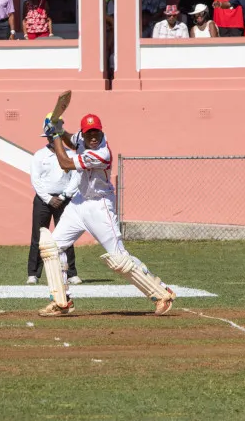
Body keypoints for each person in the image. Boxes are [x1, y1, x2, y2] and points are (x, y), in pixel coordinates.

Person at [36, 113, 176, 317]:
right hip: (79, 202)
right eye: (89, 133)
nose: (93, 137)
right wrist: (60, 130)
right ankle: (61, 301)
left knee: (118, 258)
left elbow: (65, 163)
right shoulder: (81, 138)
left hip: (100, 205)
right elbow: (71, 141)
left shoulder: (101, 153)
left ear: (101, 131)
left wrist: (55, 135)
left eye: (96, 132)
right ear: (83, 133)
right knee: (52, 248)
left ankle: (162, 293)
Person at [28, 120, 80, 286]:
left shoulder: (70, 154)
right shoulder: (39, 155)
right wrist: (48, 198)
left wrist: (64, 196)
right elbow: (36, 180)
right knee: (38, 236)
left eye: (56, 135)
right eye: (50, 136)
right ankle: (33, 274)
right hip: (43, 200)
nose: (53, 139)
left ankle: (71, 273)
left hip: (64, 200)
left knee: (67, 236)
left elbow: (76, 178)